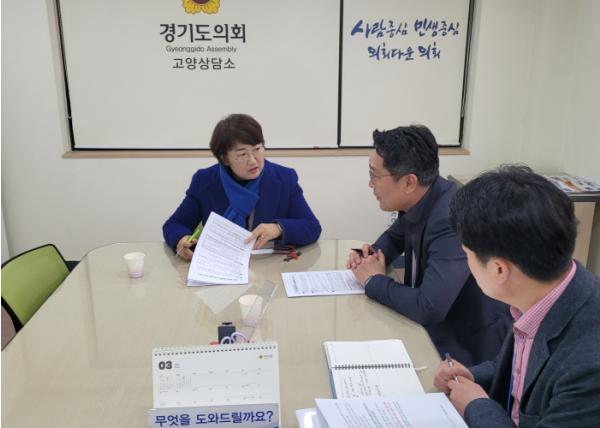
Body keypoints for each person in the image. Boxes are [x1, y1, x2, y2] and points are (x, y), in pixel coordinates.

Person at [434, 165, 600, 427]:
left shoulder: (589, 365)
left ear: (499, 269)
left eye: (467, 254)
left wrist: (476, 405)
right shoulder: (542, 293)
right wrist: (472, 377)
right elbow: (524, 368)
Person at [347, 125, 509, 366]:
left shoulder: (450, 219)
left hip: (465, 346)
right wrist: (370, 255)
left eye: (374, 175)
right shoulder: (427, 194)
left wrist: (373, 280)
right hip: (434, 326)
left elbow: (428, 307)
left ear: (409, 182)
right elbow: (395, 236)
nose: (371, 184)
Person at [163, 113, 321, 259]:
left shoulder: (284, 178)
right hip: (220, 264)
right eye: (242, 154)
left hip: (267, 265)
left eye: (257, 149)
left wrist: (279, 228)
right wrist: (181, 239)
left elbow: (312, 227)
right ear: (224, 159)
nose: (253, 160)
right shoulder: (204, 181)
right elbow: (175, 224)